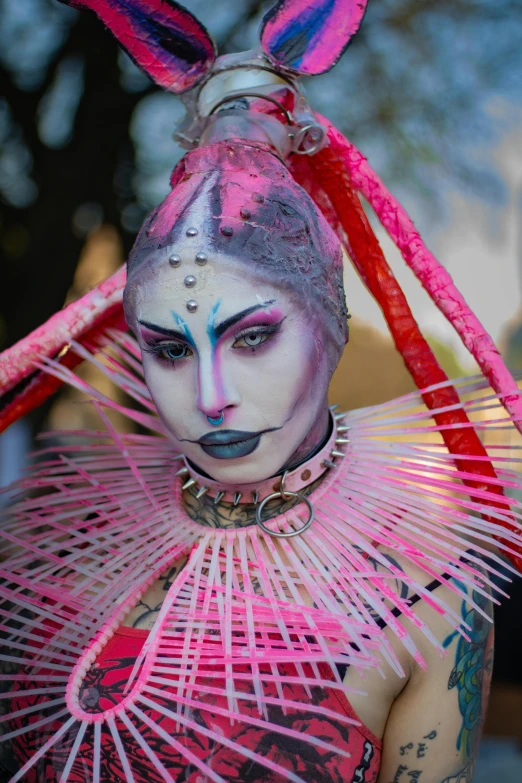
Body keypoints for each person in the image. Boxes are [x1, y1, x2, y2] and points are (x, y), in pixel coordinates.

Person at [1, 1, 521, 782]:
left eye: (252, 337)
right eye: (171, 348)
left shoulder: (432, 601)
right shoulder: (44, 549)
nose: (212, 396)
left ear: (331, 324)